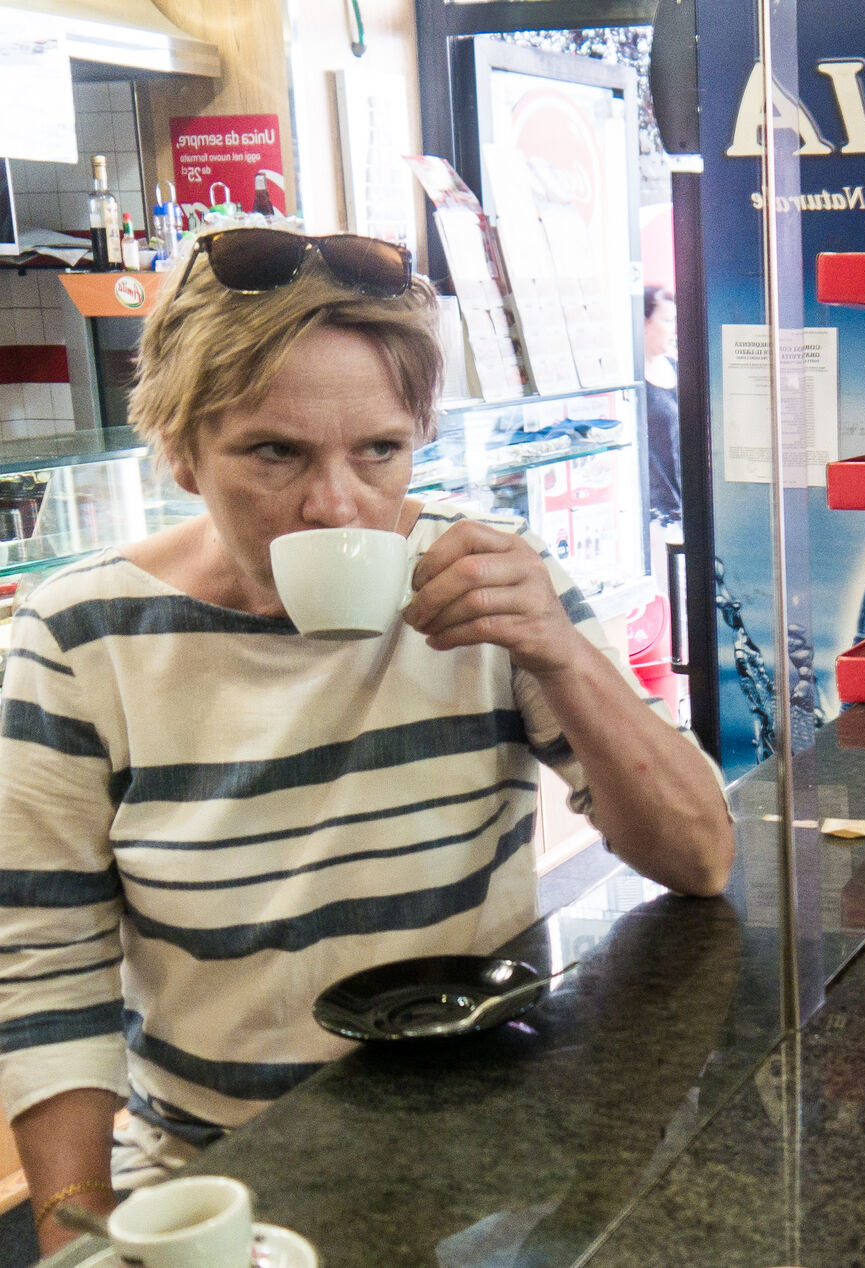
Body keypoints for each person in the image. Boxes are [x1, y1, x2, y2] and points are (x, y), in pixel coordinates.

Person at [0, 230, 735, 1254]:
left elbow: (700, 858)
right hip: (227, 1178)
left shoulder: (490, 585)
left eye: (379, 450)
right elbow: (49, 964)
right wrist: (77, 1229)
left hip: (493, 1141)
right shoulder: (82, 634)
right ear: (179, 450)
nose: (337, 505)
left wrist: (563, 653)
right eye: (276, 452)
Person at [642, 286, 682, 528]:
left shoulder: (678, 369)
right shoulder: (634, 381)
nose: (674, 329)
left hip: (687, 501)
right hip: (657, 513)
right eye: (667, 321)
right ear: (644, 323)